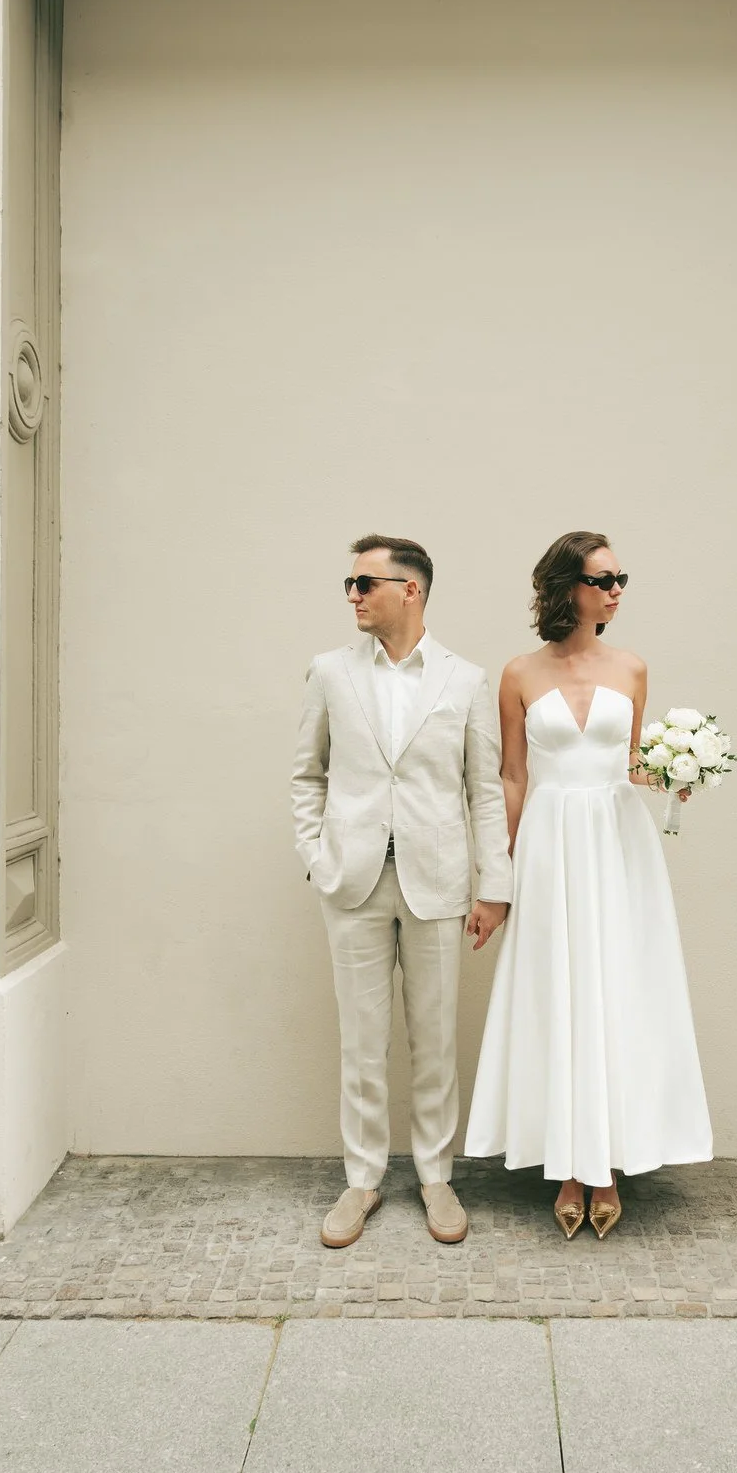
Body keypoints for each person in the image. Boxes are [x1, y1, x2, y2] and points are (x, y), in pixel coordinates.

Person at [464, 531, 712, 1238]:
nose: (616, 590)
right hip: (548, 844)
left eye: (620, 578)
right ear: (566, 585)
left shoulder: (632, 669)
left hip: (615, 844)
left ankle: (602, 1165)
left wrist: (675, 772)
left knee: (612, 987)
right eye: (604, 578)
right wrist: (497, 879)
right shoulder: (518, 674)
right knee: (558, 989)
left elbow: (631, 765)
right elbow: (513, 777)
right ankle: (568, 1166)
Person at [292, 534, 512, 1249]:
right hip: (352, 880)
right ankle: (361, 1180)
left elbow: (484, 790)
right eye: (350, 584)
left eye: (364, 583)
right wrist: (317, 856)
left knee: (436, 1040)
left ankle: (434, 1175)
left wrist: (495, 885)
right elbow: (307, 775)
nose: (353, 595)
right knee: (361, 1043)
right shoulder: (329, 672)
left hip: (438, 882)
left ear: (408, 590)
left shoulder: (465, 679)